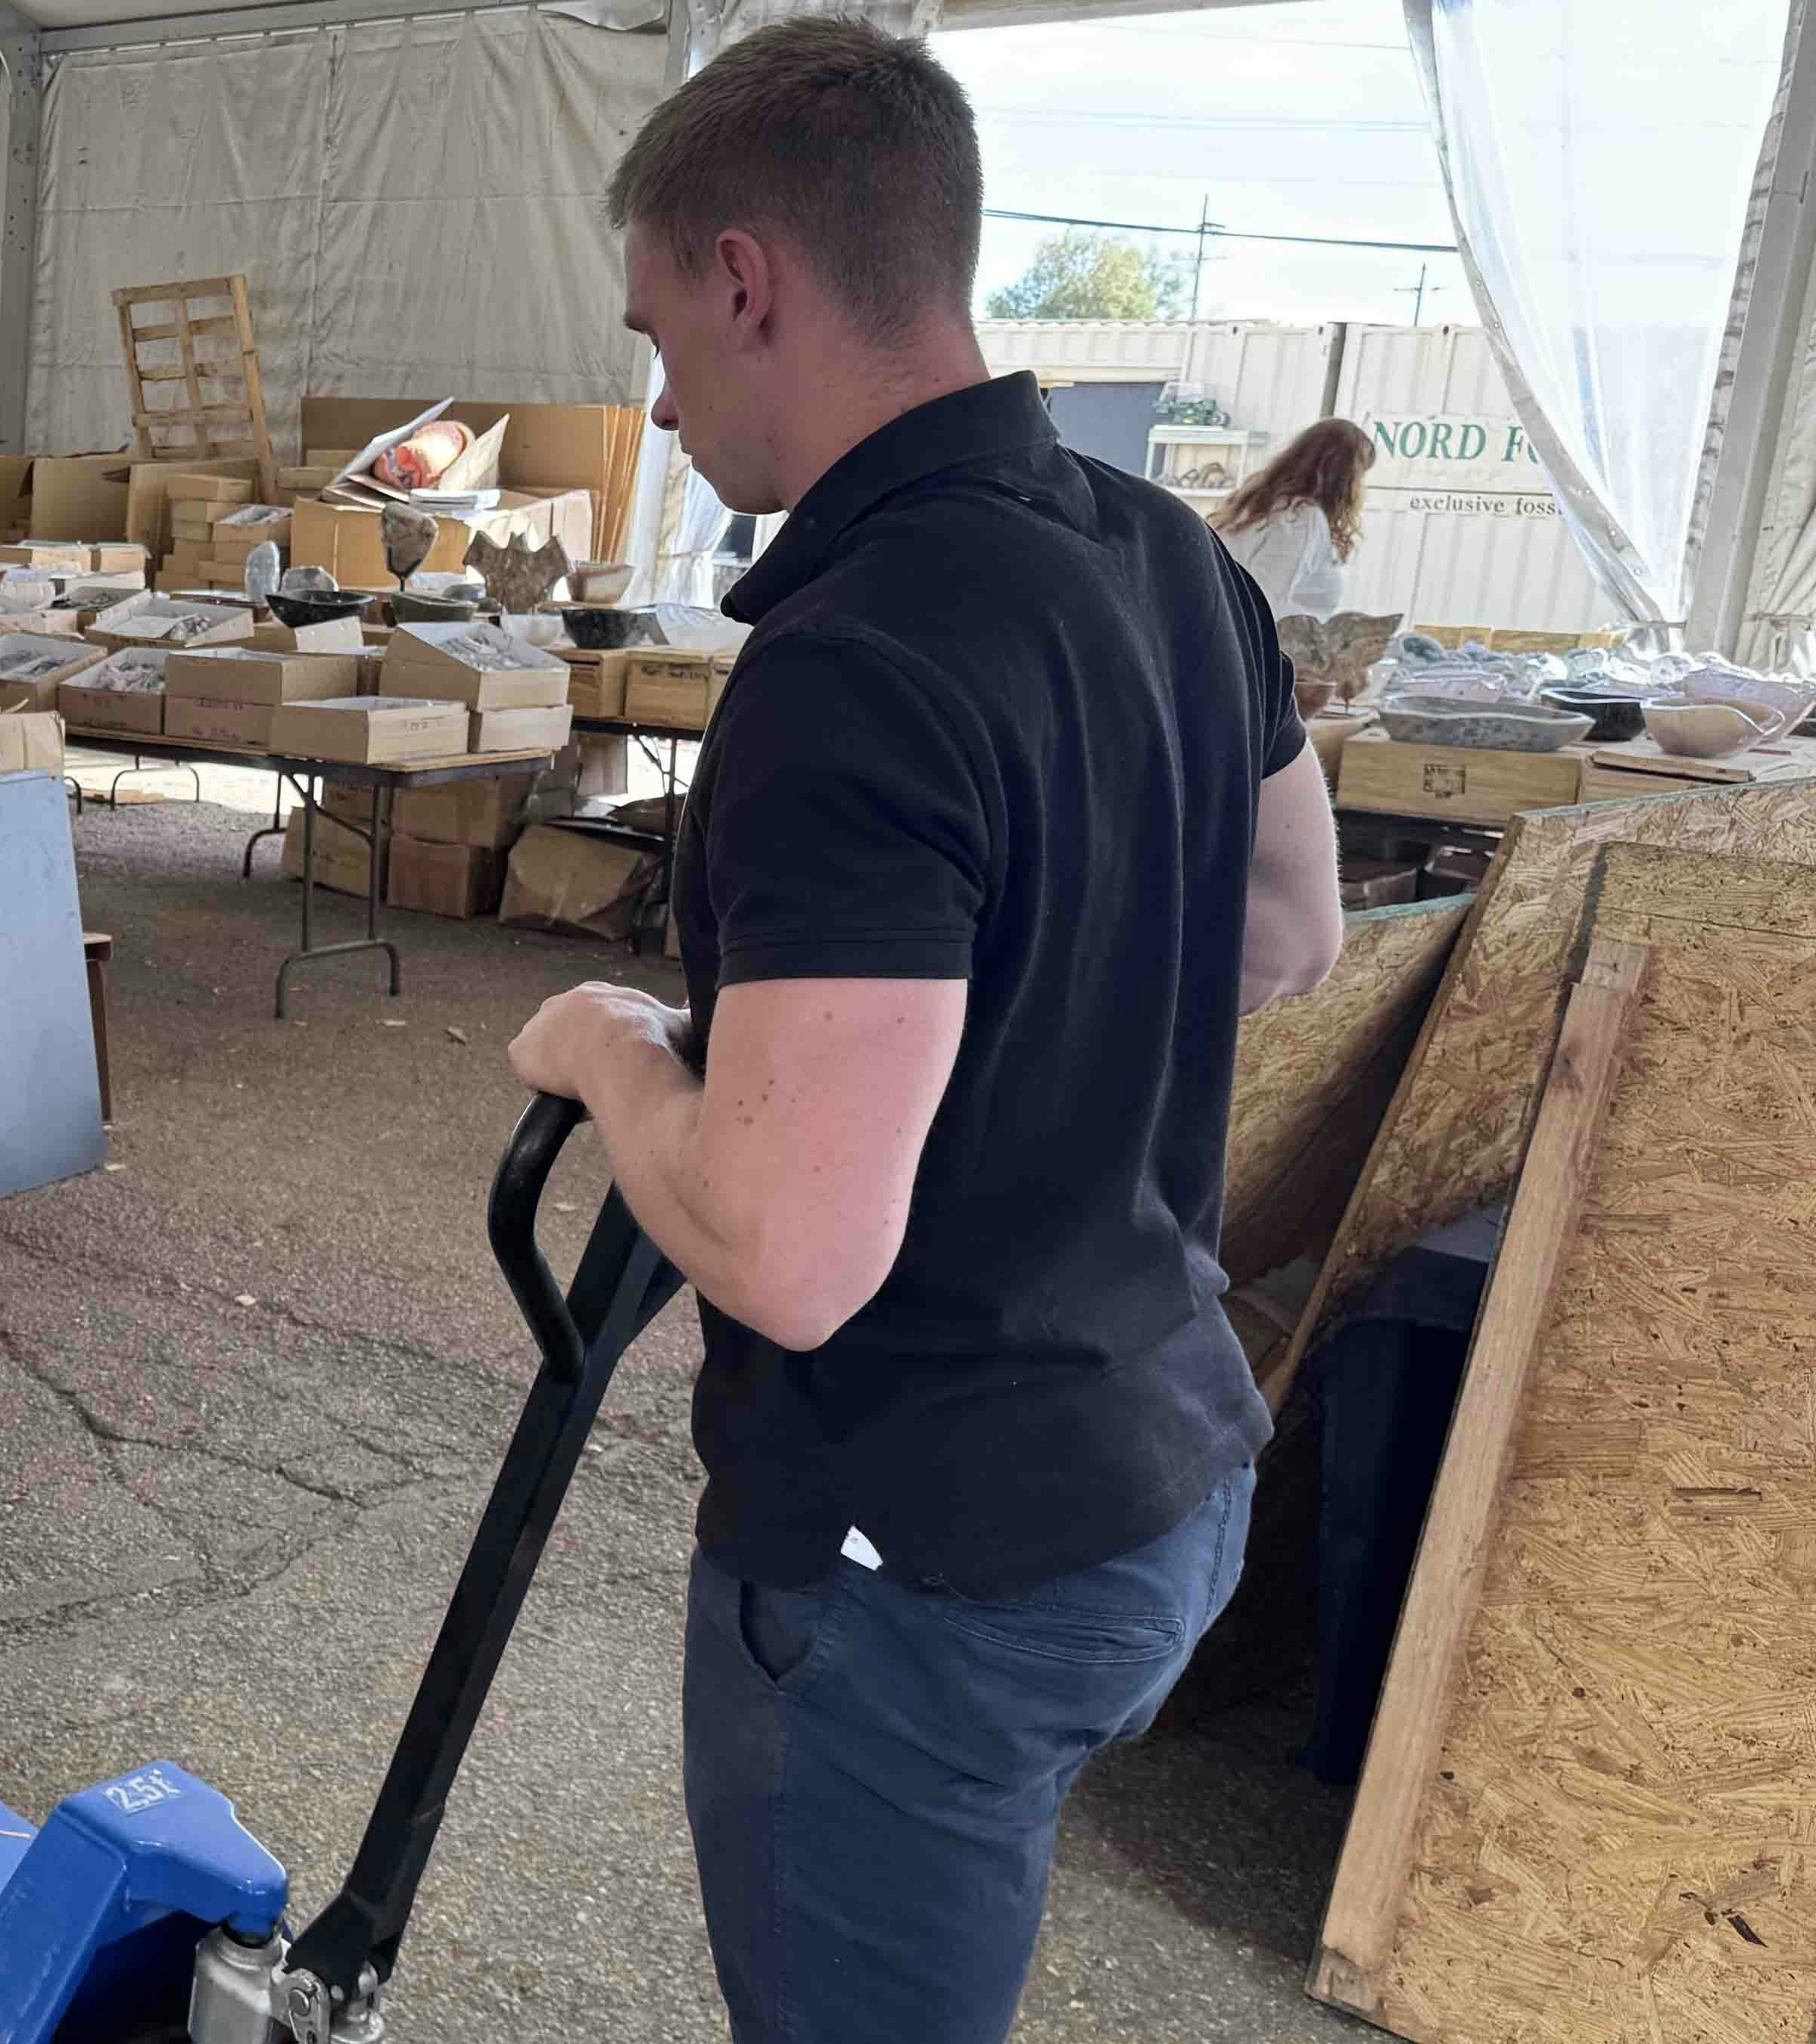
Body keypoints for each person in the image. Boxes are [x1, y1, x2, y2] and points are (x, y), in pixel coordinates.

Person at [502, 23, 1341, 2043]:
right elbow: (1291, 929)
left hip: (926, 1558)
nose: (666, 399)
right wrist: (989, 1031)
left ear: (746, 277)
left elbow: (795, 1253)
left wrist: (619, 1048)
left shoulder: (856, 655)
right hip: (1167, 1464)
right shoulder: (1168, 557)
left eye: (659, 333)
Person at [1213, 417, 1375, 618]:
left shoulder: (1256, 505)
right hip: (1272, 643)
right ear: (1345, 476)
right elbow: (1264, 603)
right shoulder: (1303, 519)